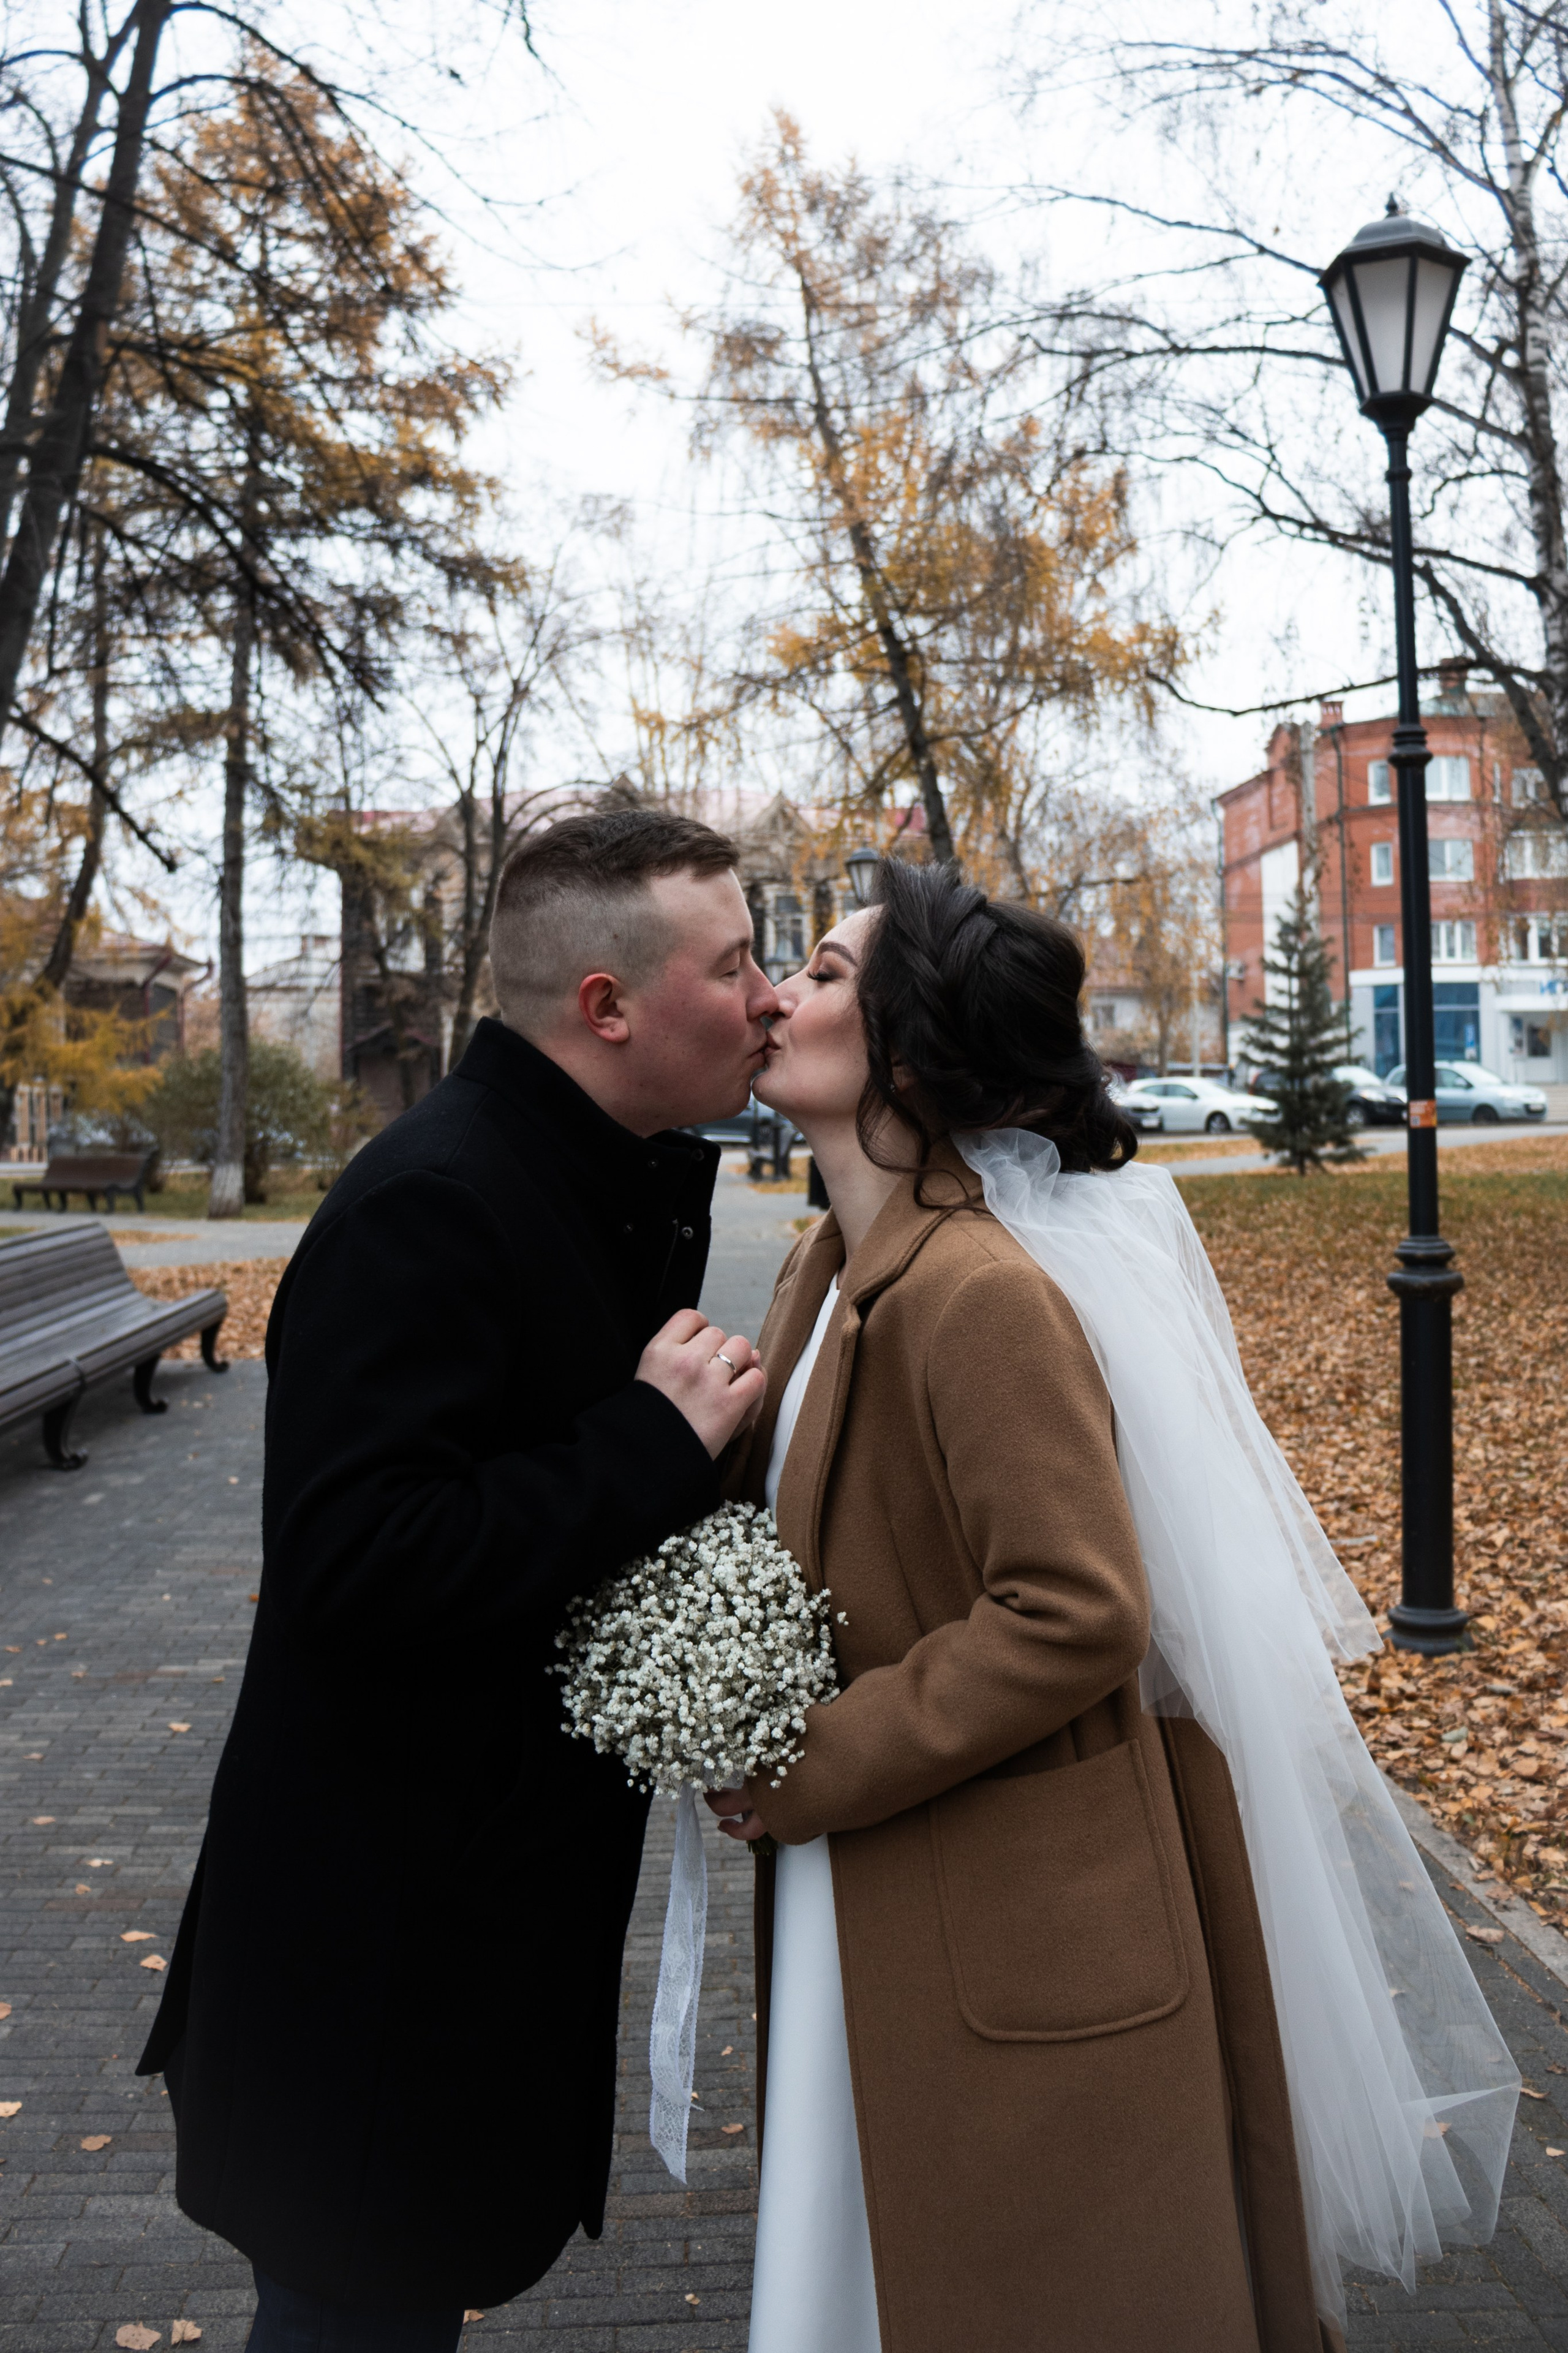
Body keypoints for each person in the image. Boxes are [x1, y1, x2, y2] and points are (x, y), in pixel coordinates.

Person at [706, 858, 1517, 2353]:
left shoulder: (975, 1293)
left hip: (983, 1894)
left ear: (904, 1046)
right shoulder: (826, 1265)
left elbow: (1076, 1609)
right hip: (876, 1881)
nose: (774, 995)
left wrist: (814, 1757)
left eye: (818, 972)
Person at [138, 807, 777, 2352]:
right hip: (370, 1971)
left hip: (450, 1944)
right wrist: (644, 1439)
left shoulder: (584, 1178)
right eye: (737, 960)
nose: (767, 995)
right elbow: (358, 1559)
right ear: (606, 1006)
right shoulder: (437, 1197)